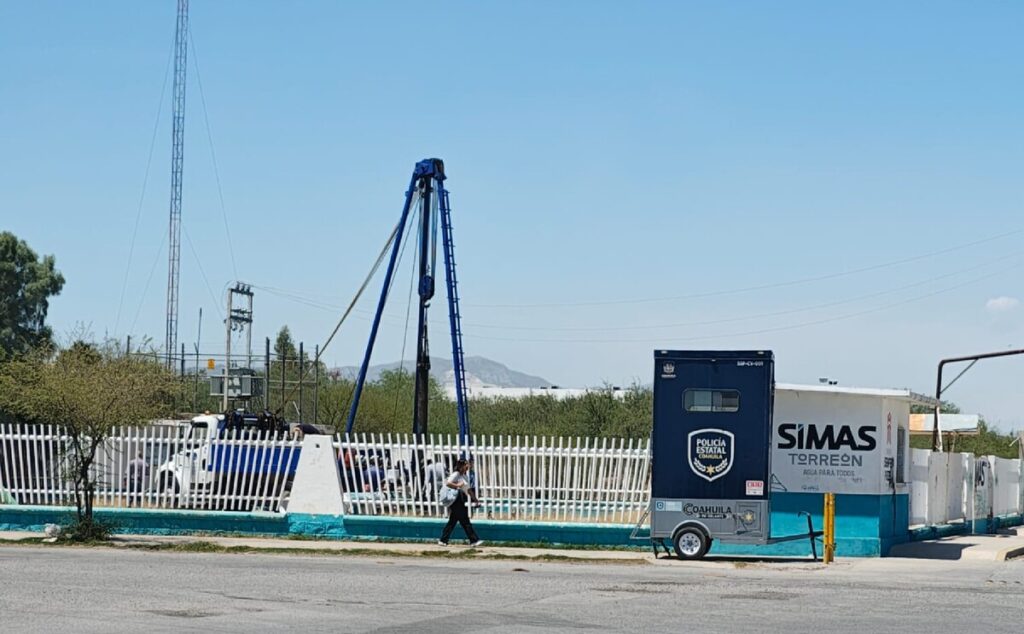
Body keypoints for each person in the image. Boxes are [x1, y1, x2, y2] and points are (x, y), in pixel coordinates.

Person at [437, 459, 484, 547]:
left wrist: (475, 500)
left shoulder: (464, 477)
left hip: (459, 500)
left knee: (453, 521)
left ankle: (443, 540)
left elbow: (469, 490)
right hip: (455, 500)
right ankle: (474, 540)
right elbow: (448, 483)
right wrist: (458, 486)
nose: (468, 466)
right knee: (465, 520)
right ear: (461, 466)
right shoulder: (456, 474)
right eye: (466, 464)